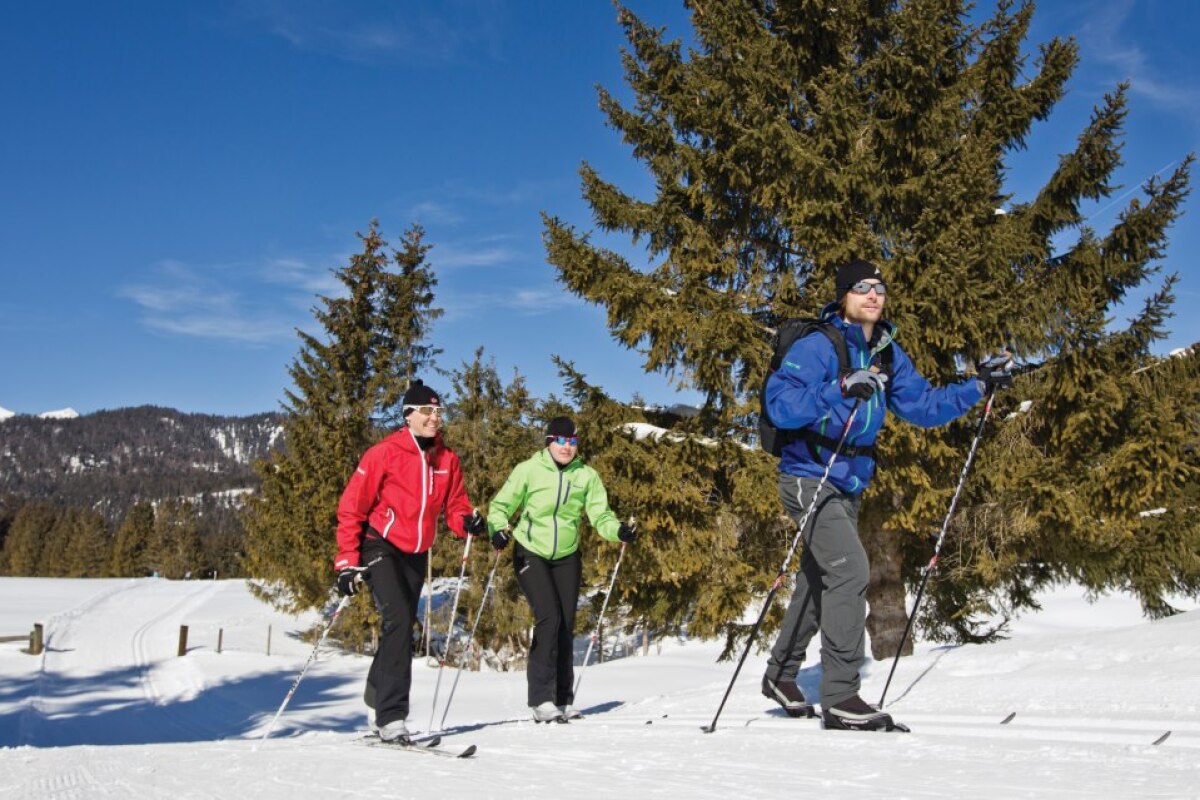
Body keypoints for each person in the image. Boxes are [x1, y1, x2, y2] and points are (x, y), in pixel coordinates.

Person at [761, 258, 1012, 731]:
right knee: (851, 570)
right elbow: (781, 403)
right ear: (843, 296)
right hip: (808, 474)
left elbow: (923, 405)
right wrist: (839, 388)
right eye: (861, 287)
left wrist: (979, 387)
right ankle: (840, 697)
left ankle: (780, 674)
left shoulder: (887, 352)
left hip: (848, 479)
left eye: (879, 287)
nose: (873, 295)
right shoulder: (820, 345)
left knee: (820, 579)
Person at [333, 380, 488, 743]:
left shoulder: (446, 459)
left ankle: (376, 692)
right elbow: (352, 508)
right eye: (427, 411)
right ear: (408, 416)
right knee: (399, 619)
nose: (434, 418)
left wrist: (467, 522)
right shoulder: (384, 453)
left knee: (400, 627)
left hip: (417, 551)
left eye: (438, 411)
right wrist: (345, 562)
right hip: (379, 544)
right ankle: (391, 718)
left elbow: (455, 507)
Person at [486, 416, 637, 723]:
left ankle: (562, 699)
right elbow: (500, 506)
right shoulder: (528, 469)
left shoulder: (586, 476)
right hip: (531, 550)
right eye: (561, 441)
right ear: (549, 441)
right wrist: (498, 529)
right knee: (549, 618)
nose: (567, 447)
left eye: (572, 442)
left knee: (566, 623)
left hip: (567, 555)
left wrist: (618, 531)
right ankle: (541, 700)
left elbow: (600, 514)